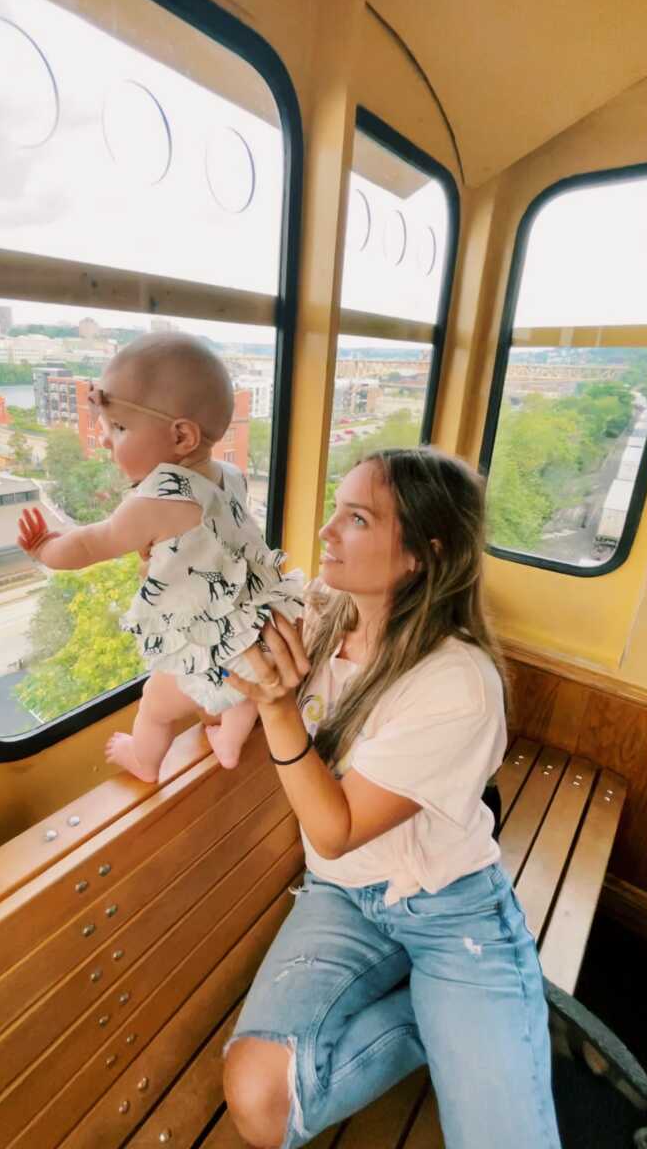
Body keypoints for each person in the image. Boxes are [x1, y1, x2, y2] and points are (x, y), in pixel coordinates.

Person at [221, 447, 563, 1149]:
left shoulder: (456, 681)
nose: (326, 532)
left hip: (449, 912)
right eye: (335, 510)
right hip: (343, 897)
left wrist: (279, 708)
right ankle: (429, 1014)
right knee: (260, 1105)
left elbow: (336, 825)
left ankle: (471, 995)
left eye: (356, 518)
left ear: (420, 554)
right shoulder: (320, 618)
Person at [17, 332, 304, 782]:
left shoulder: (155, 501)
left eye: (119, 428)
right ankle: (229, 735)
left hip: (215, 653)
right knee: (247, 678)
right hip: (260, 630)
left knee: (154, 703)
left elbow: (92, 544)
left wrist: (46, 549)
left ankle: (145, 761)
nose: (107, 441)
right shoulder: (229, 475)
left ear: (182, 436)